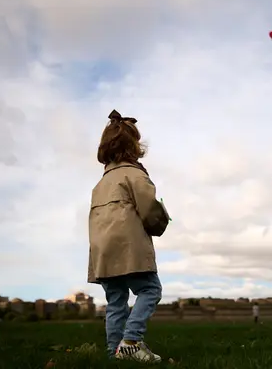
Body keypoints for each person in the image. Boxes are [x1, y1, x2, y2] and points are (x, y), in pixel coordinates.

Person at [88, 110, 170, 363]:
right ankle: (131, 341)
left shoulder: (100, 184)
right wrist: (161, 220)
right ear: (135, 147)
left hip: (102, 251)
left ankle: (115, 355)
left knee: (115, 301)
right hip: (128, 247)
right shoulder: (135, 175)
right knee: (150, 289)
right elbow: (149, 211)